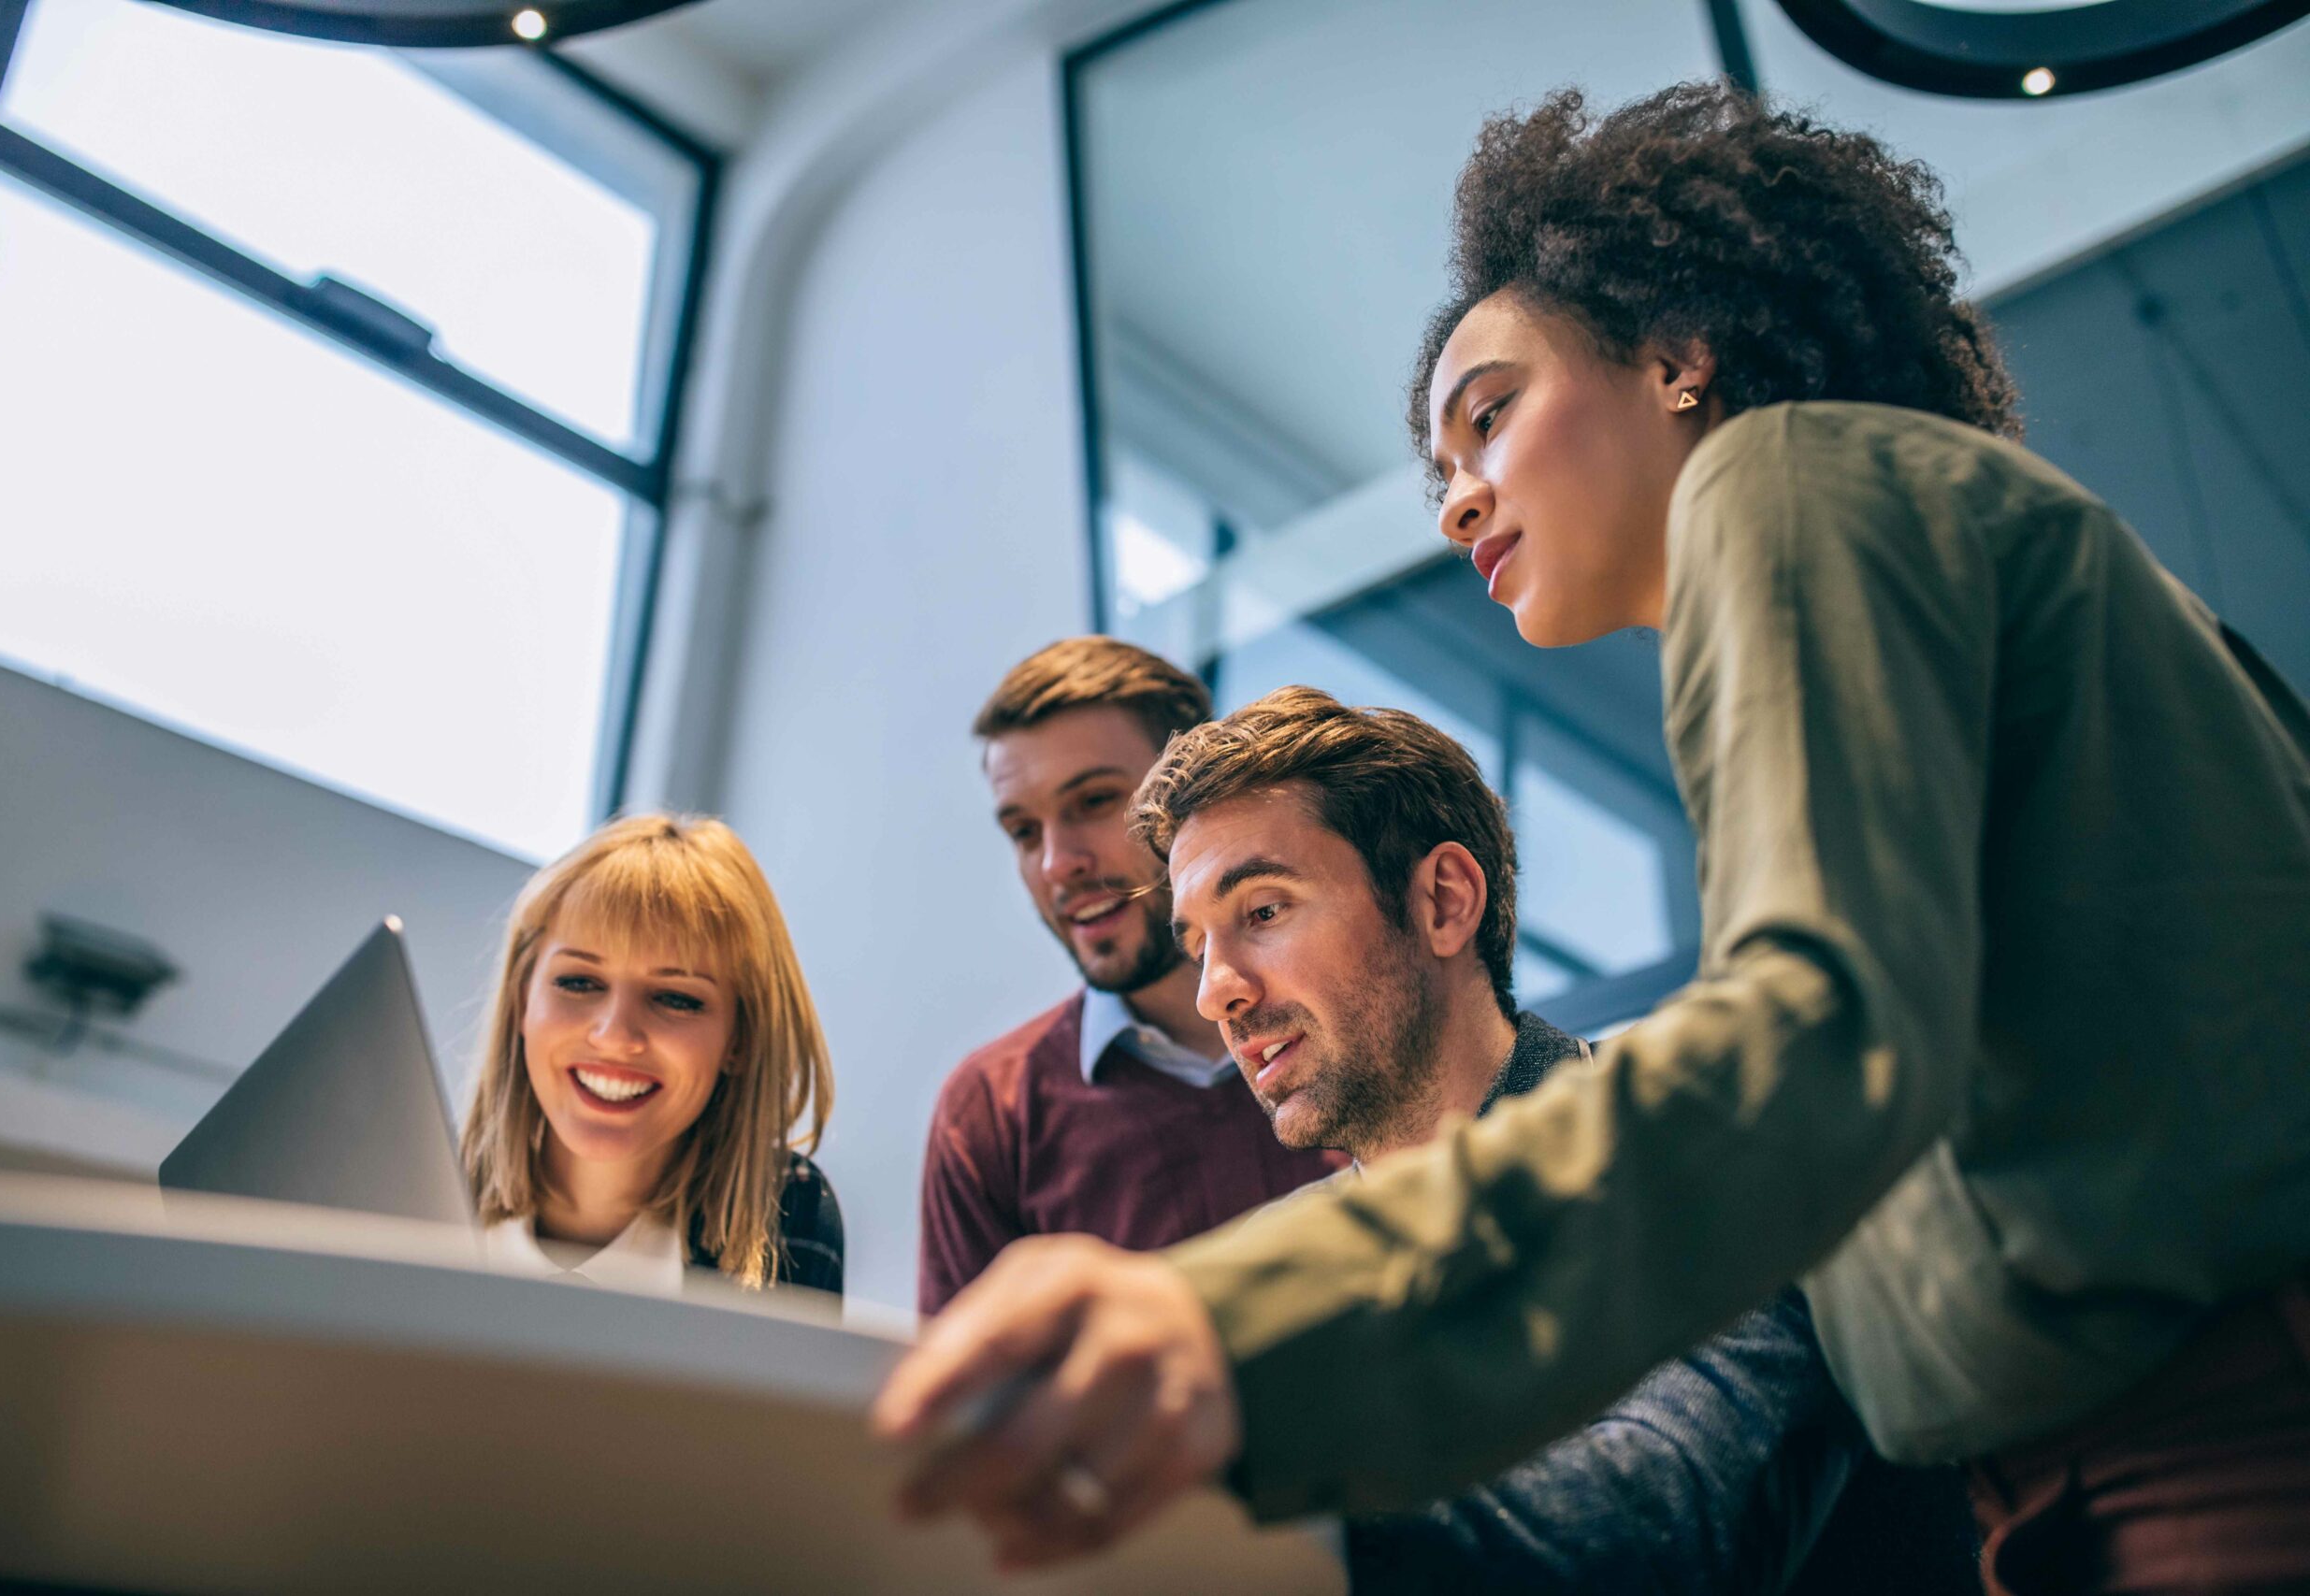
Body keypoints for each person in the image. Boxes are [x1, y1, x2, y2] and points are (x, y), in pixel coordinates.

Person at [873, 82, 2310, 1591]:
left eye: (1489, 416)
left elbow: (1820, 1031)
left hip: (2218, 1450)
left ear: (1680, 357)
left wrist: (1237, 1325)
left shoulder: (1791, 473)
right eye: (1438, 470)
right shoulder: (2005, 559)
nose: (1456, 503)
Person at [1156, 684, 1977, 1592]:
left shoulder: (1694, 1150)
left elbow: (1657, 1521)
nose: (1213, 992)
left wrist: (1238, 1509)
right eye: (1196, 946)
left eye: (1262, 912)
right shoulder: (1296, 1265)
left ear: (1442, 901)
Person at [917, 638, 1340, 1316]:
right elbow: (964, 1412)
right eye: (1025, 831)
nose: (1058, 862)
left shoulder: (1352, 1023)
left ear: (1196, 792)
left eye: (1092, 801)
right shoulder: (991, 1116)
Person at [461, 812, 844, 1297]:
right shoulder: (414, 1188)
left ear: (741, 1038)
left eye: (676, 998)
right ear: (521, 1001)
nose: (616, 1036)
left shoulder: (789, 1211)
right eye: (579, 982)